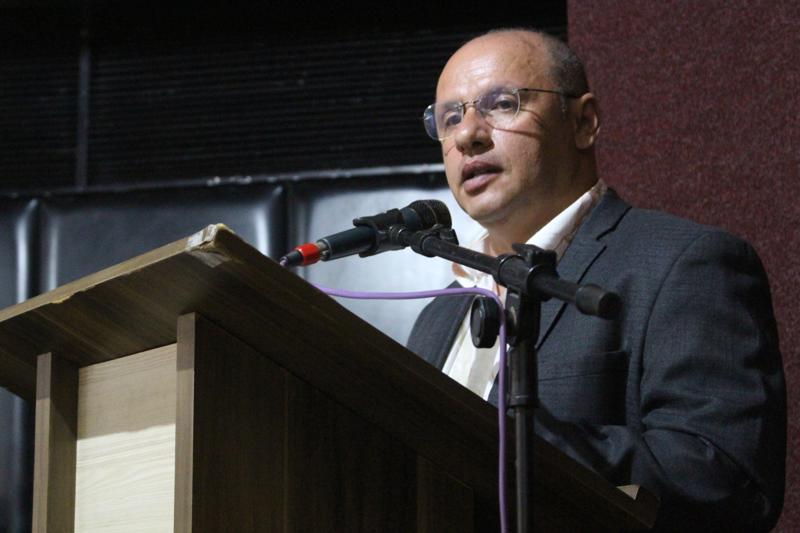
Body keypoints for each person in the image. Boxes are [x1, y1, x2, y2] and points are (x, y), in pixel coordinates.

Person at [407, 29, 785, 531]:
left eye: (501, 104)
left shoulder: (686, 264)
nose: (467, 135)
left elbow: (726, 479)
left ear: (584, 122)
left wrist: (507, 435)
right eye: (450, 117)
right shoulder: (439, 314)